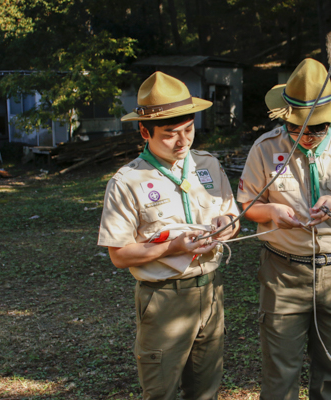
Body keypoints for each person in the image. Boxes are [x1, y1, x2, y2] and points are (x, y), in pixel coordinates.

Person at [237, 58, 331, 400]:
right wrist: (271, 211)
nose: (306, 137)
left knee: (330, 370)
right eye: (296, 128)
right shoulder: (265, 148)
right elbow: (247, 207)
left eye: (316, 129)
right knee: (279, 372)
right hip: (282, 273)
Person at [97, 71, 240, 400]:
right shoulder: (127, 181)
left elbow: (234, 220)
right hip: (163, 299)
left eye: (188, 130)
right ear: (145, 131)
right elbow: (119, 255)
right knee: (160, 392)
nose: (183, 142)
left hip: (210, 292)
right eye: (170, 134)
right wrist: (172, 247)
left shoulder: (208, 166)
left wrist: (226, 224)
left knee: (205, 390)